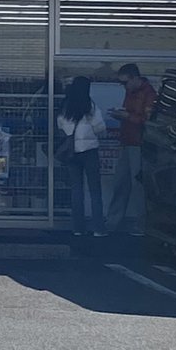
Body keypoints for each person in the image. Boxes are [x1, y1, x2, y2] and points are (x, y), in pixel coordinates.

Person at [106, 63, 157, 236]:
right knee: (120, 183)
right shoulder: (131, 91)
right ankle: (113, 221)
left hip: (139, 143)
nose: (123, 86)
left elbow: (148, 121)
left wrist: (127, 116)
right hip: (128, 141)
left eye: (125, 82)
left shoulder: (149, 94)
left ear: (135, 78)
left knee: (138, 186)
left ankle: (142, 223)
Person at [57, 76, 107, 236]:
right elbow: (99, 127)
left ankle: (77, 228)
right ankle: (98, 228)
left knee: (76, 190)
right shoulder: (89, 105)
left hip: (72, 152)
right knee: (95, 190)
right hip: (89, 150)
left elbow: (61, 124)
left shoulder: (66, 105)